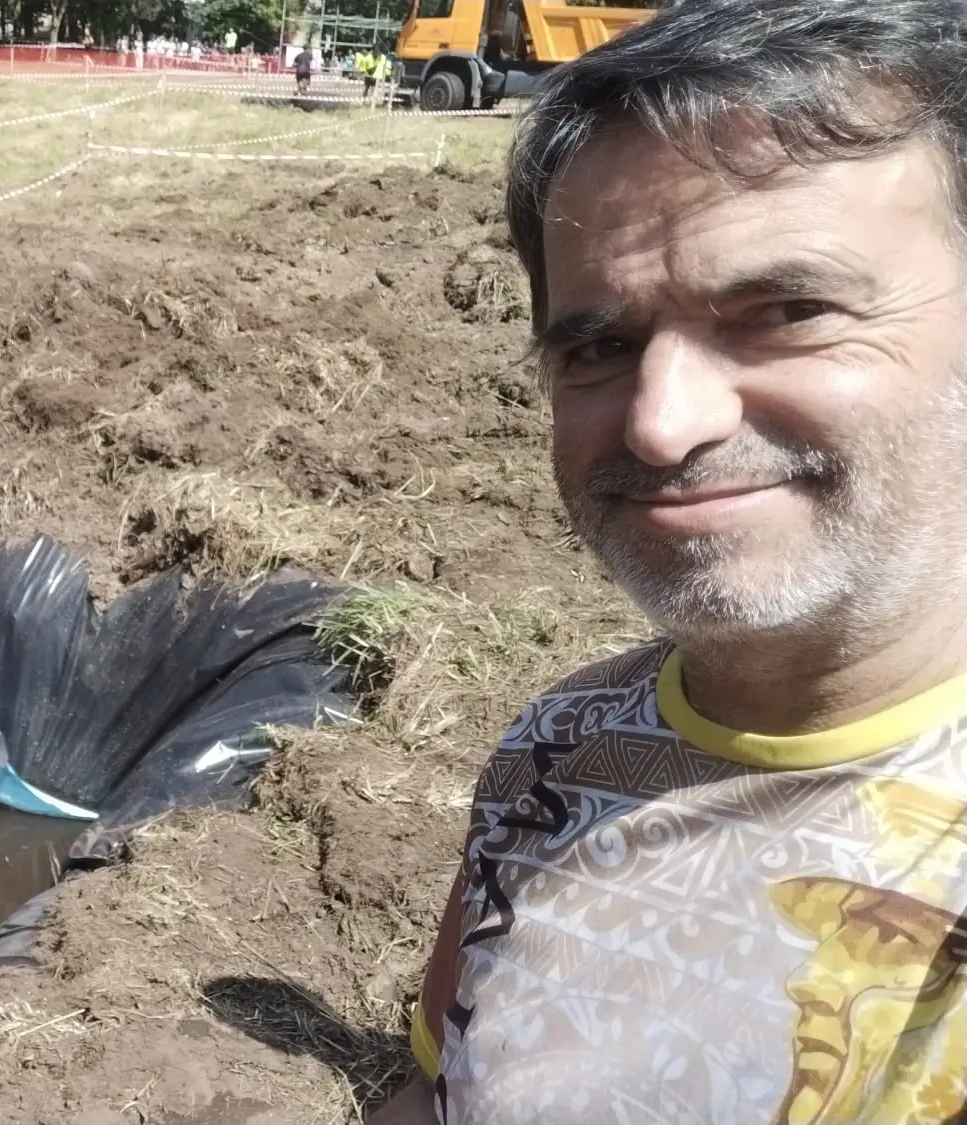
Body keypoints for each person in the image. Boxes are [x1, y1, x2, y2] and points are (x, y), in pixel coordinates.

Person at [370, 0, 967, 1121]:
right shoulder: (556, 753)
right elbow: (436, 1092)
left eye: (786, 309)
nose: (659, 424)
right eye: (600, 345)